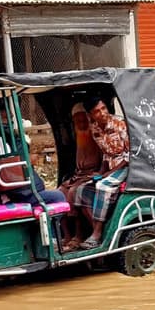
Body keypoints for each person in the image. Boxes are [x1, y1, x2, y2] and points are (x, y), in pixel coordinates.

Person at [74, 96, 130, 250]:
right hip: (111, 167)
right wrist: (100, 171)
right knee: (81, 190)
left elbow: (129, 156)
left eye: (104, 108)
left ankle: (97, 234)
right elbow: (105, 154)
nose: (102, 113)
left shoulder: (120, 125)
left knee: (103, 187)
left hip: (126, 166)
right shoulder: (95, 129)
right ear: (91, 115)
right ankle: (99, 230)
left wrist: (108, 173)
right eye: (97, 112)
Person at [58, 102, 103, 251]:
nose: (81, 123)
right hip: (78, 175)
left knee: (74, 192)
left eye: (84, 119)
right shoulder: (77, 135)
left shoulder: (95, 133)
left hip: (92, 174)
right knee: (59, 193)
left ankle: (79, 235)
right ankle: (67, 235)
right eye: (78, 121)